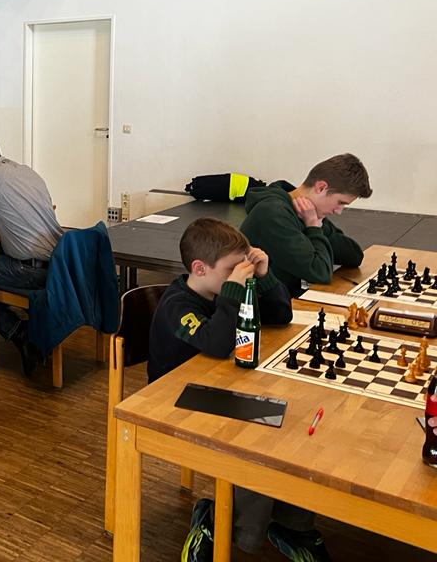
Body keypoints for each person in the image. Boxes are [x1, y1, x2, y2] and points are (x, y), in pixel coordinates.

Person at [147, 218, 328, 562]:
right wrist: (233, 289)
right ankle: (219, 523)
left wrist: (265, 276)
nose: (240, 274)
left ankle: (292, 524)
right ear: (199, 268)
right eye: (232, 268)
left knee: (290, 418)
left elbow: (280, 315)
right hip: (172, 400)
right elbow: (217, 344)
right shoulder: (178, 305)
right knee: (257, 434)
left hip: (216, 386)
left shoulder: (219, 288)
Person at [0, 134, 62, 376]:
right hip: (58, 265)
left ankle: (20, 333)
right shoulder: (25, 171)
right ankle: (33, 331)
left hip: (30, 269)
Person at [241, 153, 372, 297]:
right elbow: (320, 273)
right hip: (258, 306)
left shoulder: (306, 213)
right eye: (340, 202)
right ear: (321, 188)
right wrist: (314, 228)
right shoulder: (273, 214)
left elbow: (354, 256)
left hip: (282, 299)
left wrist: (317, 225)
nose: (338, 211)